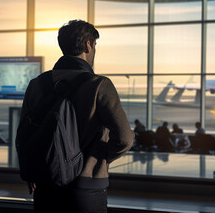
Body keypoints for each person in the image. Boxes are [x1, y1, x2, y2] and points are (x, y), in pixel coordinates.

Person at [20, 20, 134, 213]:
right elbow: (124, 138)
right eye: (94, 45)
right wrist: (101, 159)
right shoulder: (99, 85)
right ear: (88, 45)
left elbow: (24, 134)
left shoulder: (37, 84)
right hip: (86, 188)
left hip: (45, 185)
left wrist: (31, 171)